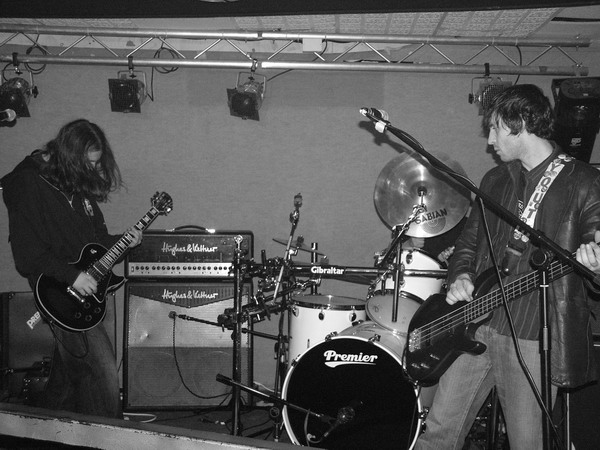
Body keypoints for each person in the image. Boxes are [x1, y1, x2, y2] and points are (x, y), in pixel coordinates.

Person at [415, 84, 600, 450]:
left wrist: (595, 266)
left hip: (533, 337)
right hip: (475, 324)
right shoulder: (494, 180)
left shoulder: (584, 182)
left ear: (521, 124)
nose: (490, 140)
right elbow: (469, 243)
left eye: (496, 128)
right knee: (438, 434)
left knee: (526, 443)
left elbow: (595, 266)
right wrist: (460, 275)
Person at [1, 119, 142, 418]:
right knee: (103, 378)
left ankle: (38, 433)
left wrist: (124, 242)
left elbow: (95, 243)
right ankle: (109, 436)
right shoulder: (26, 183)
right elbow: (27, 256)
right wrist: (73, 276)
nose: (94, 170)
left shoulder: (73, 182)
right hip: (58, 292)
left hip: (81, 291)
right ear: (68, 157)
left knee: (66, 384)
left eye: (97, 163)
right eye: (89, 164)